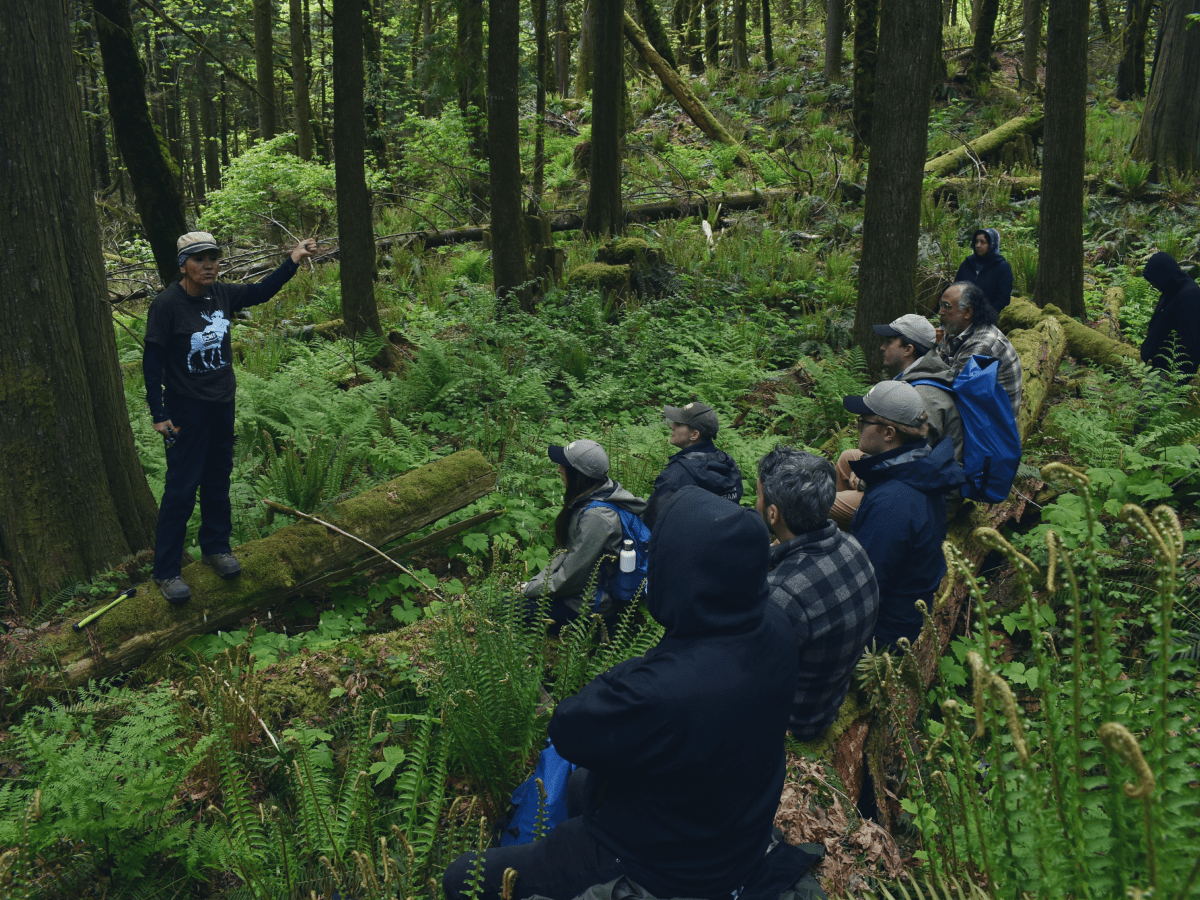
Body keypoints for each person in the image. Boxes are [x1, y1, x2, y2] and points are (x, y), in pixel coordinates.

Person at [445, 487, 812, 900]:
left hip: (665, 864)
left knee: (463, 877)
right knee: (584, 785)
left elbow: (569, 728)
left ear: (682, 577)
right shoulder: (775, 626)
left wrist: (646, 665)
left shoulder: (659, 691)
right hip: (735, 825)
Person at [144, 231, 317, 603]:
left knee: (218, 477)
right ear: (183, 266)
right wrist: (159, 413)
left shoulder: (221, 294)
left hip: (222, 403)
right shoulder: (166, 305)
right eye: (199, 259)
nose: (209, 265)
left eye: (213, 258)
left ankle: (216, 548)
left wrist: (293, 260)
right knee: (181, 487)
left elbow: (261, 291)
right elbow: (152, 361)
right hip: (185, 409)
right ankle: (167, 571)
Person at [756, 447, 879, 740]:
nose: (756, 502)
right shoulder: (852, 545)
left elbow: (750, 670)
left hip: (795, 723)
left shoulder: (783, 594)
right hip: (829, 696)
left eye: (760, 496)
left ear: (774, 514)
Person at [842, 382, 965, 649]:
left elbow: (862, 589)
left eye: (863, 421)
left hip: (882, 638)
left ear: (888, 433)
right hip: (901, 616)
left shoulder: (893, 503)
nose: (858, 426)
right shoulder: (919, 468)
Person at [830, 314, 963, 528]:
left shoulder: (923, 397)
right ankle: (853, 530)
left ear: (908, 349)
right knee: (848, 458)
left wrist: (867, 479)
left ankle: (847, 537)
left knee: (825, 505)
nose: (882, 347)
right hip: (918, 482)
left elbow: (919, 463)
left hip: (930, 499)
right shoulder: (918, 381)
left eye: (888, 342)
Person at [523, 440, 647, 629]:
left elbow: (573, 576)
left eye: (564, 466)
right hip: (582, 595)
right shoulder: (596, 494)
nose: (558, 470)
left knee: (507, 610)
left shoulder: (597, 517)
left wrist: (530, 589)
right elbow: (568, 554)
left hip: (589, 608)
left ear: (579, 474)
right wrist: (534, 583)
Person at [641, 401, 743, 529]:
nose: (671, 426)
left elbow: (653, 522)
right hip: (724, 542)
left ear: (694, 435)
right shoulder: (728, 464)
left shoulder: (676, 475)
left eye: (678, 424)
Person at [935, 281, 1023, 419]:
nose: (940, 312)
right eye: (940, 305)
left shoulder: (983, 344)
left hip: (993, 431)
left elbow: (950, 392)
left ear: (968, 312)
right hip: (979, 415)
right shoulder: (957, 330)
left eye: (947, 307)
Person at [1140, 251, 1200, 379]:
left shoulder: (1189, 295)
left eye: (1154, 280)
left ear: (1164, 274)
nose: (1154, 285)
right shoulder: (1170, 290)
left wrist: (1176, 373)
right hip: (1157, 368)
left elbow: (1189, 340)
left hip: (1170, 374)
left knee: (1147, 397)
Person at [954, 227, 1014, 313]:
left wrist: (988, 315)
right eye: (976, 241)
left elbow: (1003, 298)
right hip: (963, 314)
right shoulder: (967, 264)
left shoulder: (1002, 267)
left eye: (983, 242)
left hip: (988, 316)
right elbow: (956, 288)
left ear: (992, 244)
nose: (978, 245)